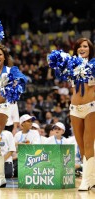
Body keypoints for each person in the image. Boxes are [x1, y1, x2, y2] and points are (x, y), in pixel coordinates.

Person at [0, 45, 27, 188]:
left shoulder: (10, 70)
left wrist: (18, 83)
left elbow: (22, 79)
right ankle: (0, 176)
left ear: (4, 57)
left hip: (2, 108)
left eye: (0, 54)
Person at [69, 38, 95, 191]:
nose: (82, 48)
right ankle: (91, 178)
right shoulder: (71, 65)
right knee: (81, 146)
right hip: (74, 108)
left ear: (90, 49)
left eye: (85, 46)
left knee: (88, 142)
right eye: (79, 46)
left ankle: (85, 180)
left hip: (92, 107)